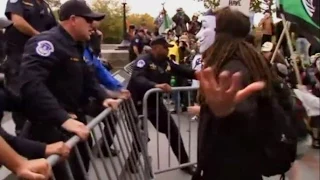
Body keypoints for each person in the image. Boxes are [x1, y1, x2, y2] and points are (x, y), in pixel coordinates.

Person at [16, 0, 121, 179]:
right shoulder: (46, 42)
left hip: (73, 124)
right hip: (47, 128)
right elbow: (31, 84)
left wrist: (103, 97)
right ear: (73, 19)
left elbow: (87, 76)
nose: (93, 26)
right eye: (88, 20)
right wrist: (62, 118)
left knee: (81, 169)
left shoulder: (77, 46)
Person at [193, 7, 291, 180]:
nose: (198, 35)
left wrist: (228, 112)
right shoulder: (248, 59)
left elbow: (245, 108)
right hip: (240, 164)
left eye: (205, 27)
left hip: (231, 168)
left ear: (221, 34)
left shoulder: (233, 67)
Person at [127, 36, 196, 175]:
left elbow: (182, 70)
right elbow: (137, 77)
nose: (167, 50)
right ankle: (130, 164)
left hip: (154, 103)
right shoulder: (143, 60)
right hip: (136, 104)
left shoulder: (166, 62)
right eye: (165, 48)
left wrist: (199, 75)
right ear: (157, 48)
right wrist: (155, 85)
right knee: (141, 136)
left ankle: (184, 163)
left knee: (173, 132)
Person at [3, 0, 57, 135]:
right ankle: (22, 138)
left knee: (40, 100)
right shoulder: (17, 1)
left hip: (39, 61)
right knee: (20, 100)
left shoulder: (44, 5)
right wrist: (39, 36)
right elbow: (18, 21)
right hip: (19, 59)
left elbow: (55, 29)